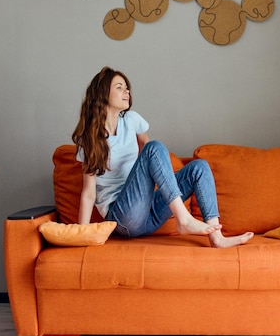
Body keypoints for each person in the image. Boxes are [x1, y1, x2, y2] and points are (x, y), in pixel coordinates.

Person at [72, 66, 254, 248]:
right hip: (122, 217)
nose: (126, 90)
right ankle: (183, 220)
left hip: (148, 212)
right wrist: (81, 235)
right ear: (103, 93)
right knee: (154, 147)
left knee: (199, 168)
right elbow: (89, 193)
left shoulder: (132, 120)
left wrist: (153, 183)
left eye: (127, 87)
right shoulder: (88, 138)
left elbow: (151, 159)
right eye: (119, 87)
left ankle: (216, 237)